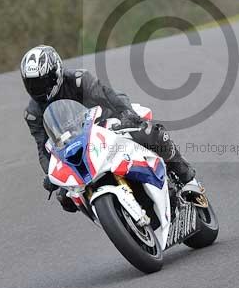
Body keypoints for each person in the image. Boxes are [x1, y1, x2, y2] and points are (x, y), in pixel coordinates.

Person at [20, 45, 200, 212]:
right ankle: (114, 215)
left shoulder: (78, 80)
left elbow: (109, 98)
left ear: (56, 73)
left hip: (109, 121)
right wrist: (51, 175)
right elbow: (43, 148)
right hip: (77, 144)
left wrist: (128, 116)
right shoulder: (33, 113)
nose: (38, 89)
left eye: (42, 82)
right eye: (32, 84)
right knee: (65, 198)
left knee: (150, 134)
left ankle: (189, 180)